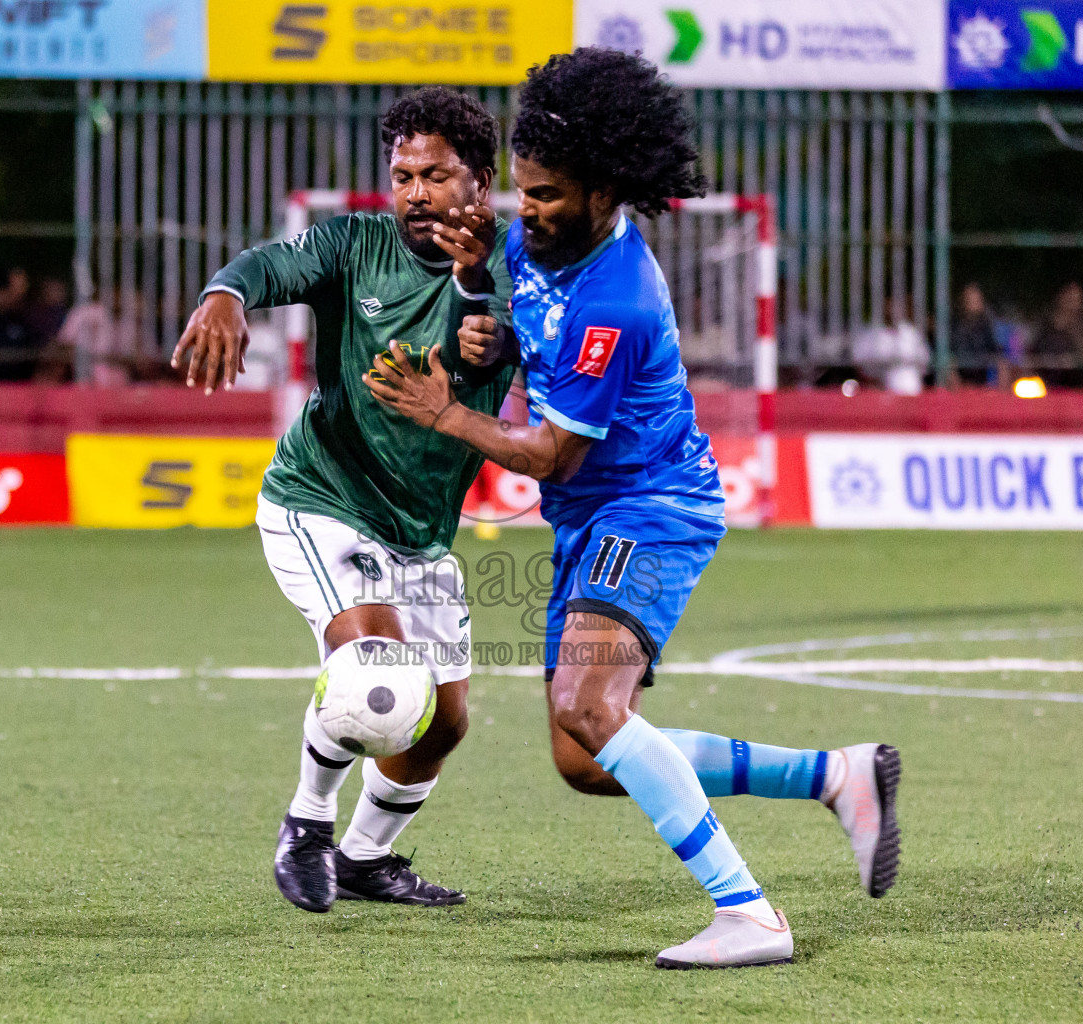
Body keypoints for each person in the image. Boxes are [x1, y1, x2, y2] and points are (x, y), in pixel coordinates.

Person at [367, 48, 900, 970]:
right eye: (521, 193)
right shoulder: (537, 240)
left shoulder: (617, 298)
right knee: (585, 757)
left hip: (651, 508)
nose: (525, 212)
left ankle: (751, 914)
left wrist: (444, 411)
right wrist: (478, 307)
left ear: (606, 189)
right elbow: (511, 314)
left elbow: (550, 450)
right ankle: (836, 777)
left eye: (547, 195)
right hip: (590, 518)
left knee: (586, 701)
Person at [170, 88, 516, 913]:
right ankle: (308, 822)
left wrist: (489, 326)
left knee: (443, 724)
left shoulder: (518, 271)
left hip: (421, 528)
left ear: (481, 178)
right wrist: (224, 293)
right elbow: (267, 266)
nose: (416, 193)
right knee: (374, 672)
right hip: (320, 497)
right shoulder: (353, 244)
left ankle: (365, 857)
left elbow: (484, 351)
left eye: (436, 174)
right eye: (402, 175)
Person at [1030, 281, 1083, 388]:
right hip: (1049, 382)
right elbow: (1034, 353)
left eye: (1077, 299)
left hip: (1079, 383)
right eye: (1070, 298)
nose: (1073, 303)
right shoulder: (1047, 324)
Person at [951, 282, 1006, 386]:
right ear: (964, 301)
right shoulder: (955, 325)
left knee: (1002, 363)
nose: (973, 303)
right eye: (970, 300)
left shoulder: (987, 324)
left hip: (981, 377)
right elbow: (949, 355)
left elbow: (998, 353)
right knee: (949, 364)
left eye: (976, 300)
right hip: (960, 377)